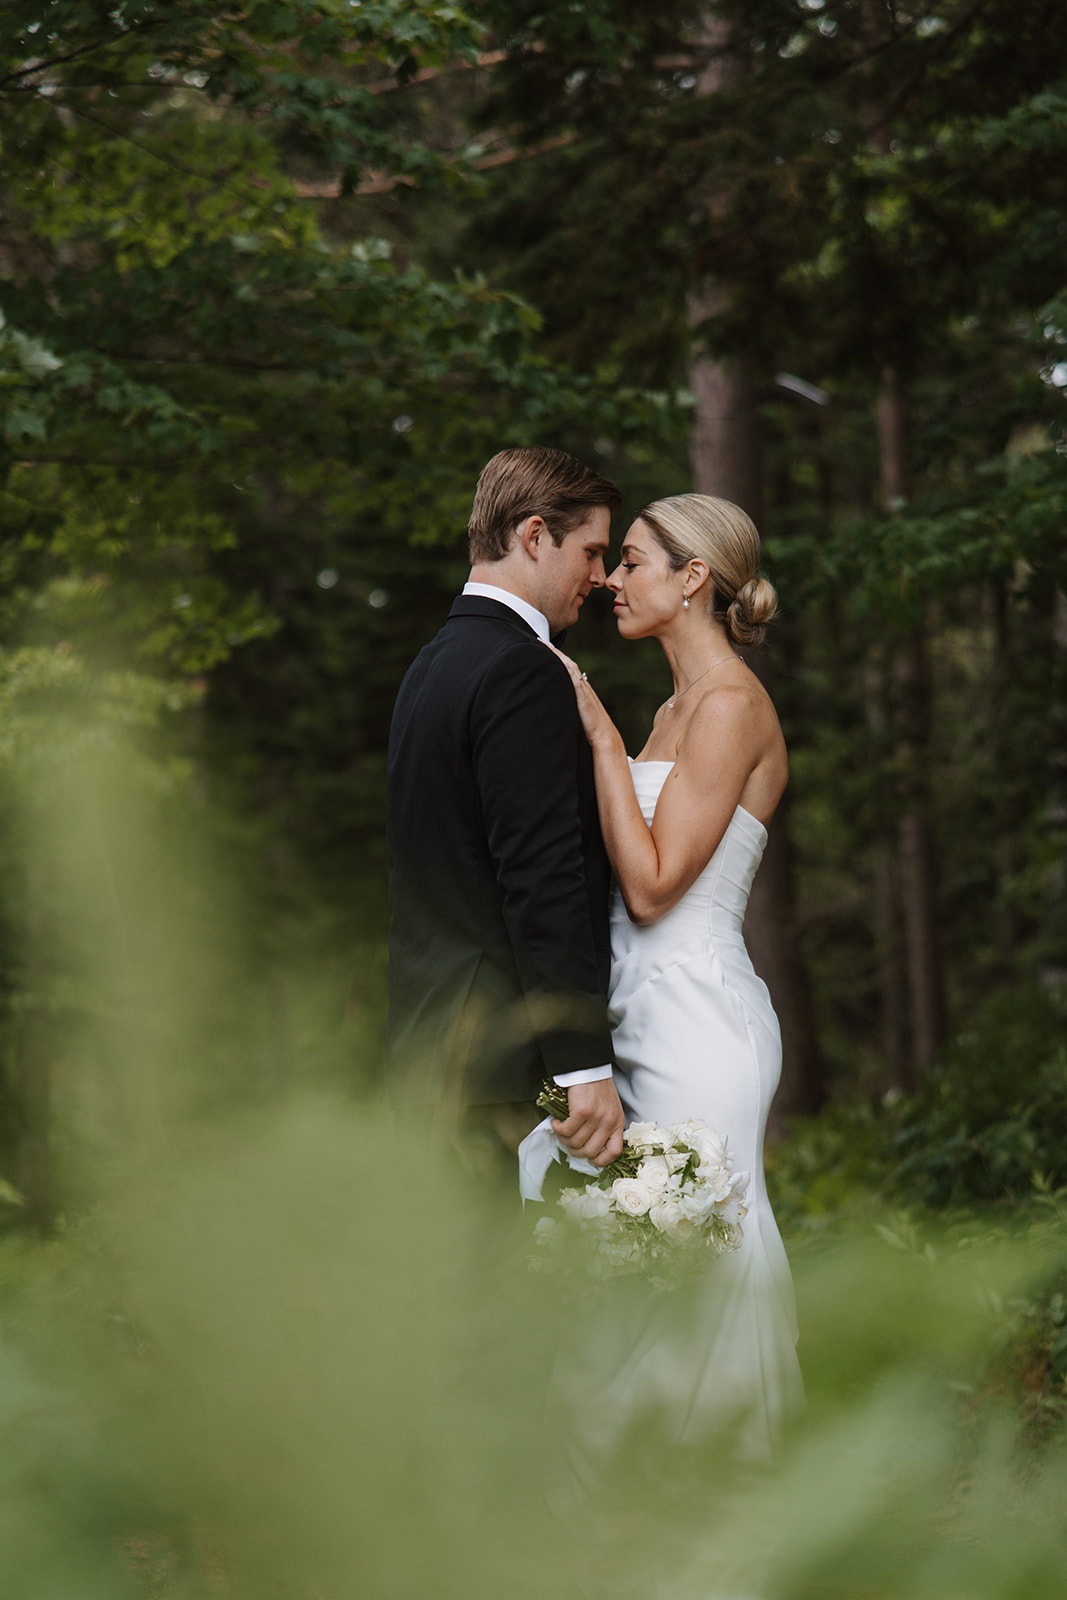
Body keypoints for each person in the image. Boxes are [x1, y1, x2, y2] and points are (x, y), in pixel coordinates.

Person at [543, 492, 803, 1469]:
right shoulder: (672, 707)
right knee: (632, 1270)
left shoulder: (732, 704)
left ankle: (717, 1521)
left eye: (637, 560)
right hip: (634, 1014)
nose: (612, 577)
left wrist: (601, 742)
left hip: (698, 1023)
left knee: (694, 1259)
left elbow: (652, 887)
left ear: (694, 578)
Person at [386, 447, 626, 1182]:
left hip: (432, 1052)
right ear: (531, 535)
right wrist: (581, 1061)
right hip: (501, 1066)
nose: (600, 576)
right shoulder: (522, 668)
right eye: (589, 551)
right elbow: (540, 875)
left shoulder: (432, 664)